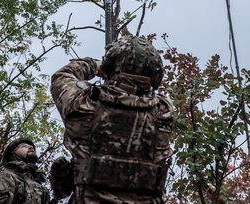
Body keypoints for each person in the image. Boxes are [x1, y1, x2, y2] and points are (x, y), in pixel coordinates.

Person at [51, 36, 174, 203]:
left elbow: (62, 76)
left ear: (112, 64)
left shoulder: (83, 104)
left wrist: (96, 66)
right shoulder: (164, 112)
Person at [0, 138, 49, 204]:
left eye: (32, 147)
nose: (31, 147)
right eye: (24, 146)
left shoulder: (38, 183)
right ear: (13, 153)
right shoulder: (6, 176)